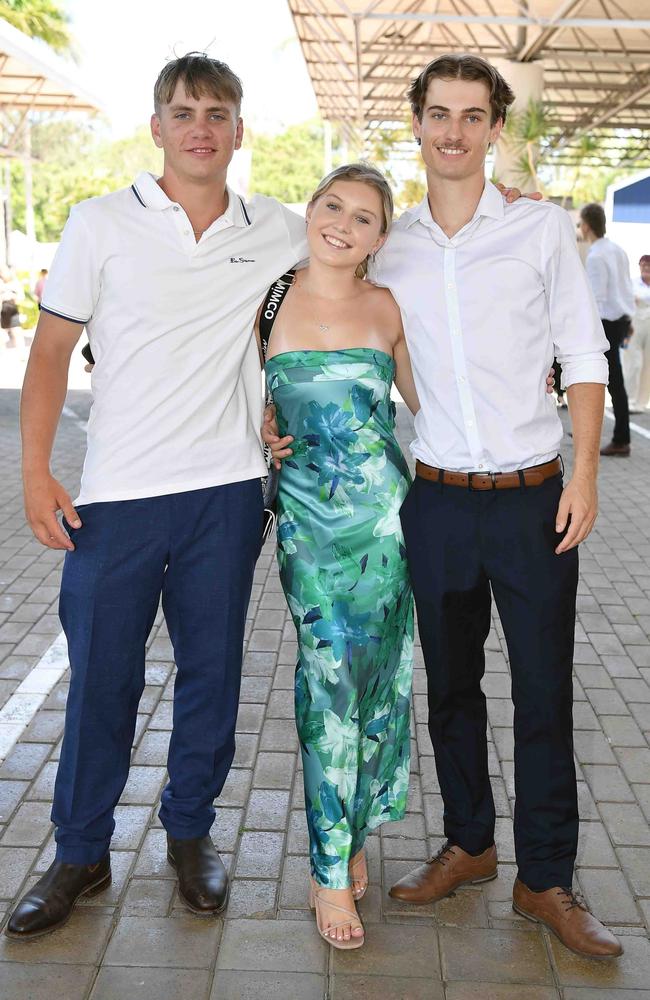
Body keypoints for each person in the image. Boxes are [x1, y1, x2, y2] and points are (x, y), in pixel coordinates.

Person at [268, 53, 620, 960]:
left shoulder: (541, 233)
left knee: (542, 696)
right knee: (450, 692)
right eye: (438, 114)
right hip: (429, 502)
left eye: (472, 115)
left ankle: (546, 880)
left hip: (534, 499)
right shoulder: (395, 245)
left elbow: (583, 359)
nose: (454, 132)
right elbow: (336, 333)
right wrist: (280, 414)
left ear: (496, 127)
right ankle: (469, 842)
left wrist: (583, 476)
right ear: (416, 123)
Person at [7, 53, 307, 939]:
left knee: (212, 678)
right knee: (104, 677)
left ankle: (190, 834)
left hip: (225, 493)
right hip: (117, 498)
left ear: (240, 130)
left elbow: (370, 241)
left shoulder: (280, 228)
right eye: (184, 112)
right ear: (157, 127)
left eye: (218, 112)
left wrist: (499, 199)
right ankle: (80, 851)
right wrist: (34, 473)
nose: (201, 127)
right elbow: (52, 354)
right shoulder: (99, 223)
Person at [259, 163, 420, 950]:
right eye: (332, 206)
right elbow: (228, 387)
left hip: (385, 530)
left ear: (380, 238)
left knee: (377, 688)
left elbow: (440, 400)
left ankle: (352, 835)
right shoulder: (268, 295)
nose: (343, 224)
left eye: (363, 217)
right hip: (309, 531)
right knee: (329, 685)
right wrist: (256, 418)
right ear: (311, 209)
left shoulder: (390, 307)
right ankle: (328, 873)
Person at [580, 203, 635, 457]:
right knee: (611, 380)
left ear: (587, 225)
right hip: (620, 320)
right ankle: (602, 433)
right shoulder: (617, 250)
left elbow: (595, 298)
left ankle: (621, 438)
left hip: (605, 323)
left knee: (607, 381)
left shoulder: (596, 256)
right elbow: (625, 289)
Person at [624, 254, 650, 411]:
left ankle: (641, 402)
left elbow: (640, 299)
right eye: (643, 265)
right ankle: (630, 400)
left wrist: (641, 300)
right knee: (634, 363)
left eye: (648, 265)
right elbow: (629, 300)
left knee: (648, 365)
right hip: (634, 325)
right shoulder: (632, 283)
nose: (646, 268)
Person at [0, 265, 23, 348]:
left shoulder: (15, 283)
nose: (3, 274)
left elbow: (21, 298)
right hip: (2, 311)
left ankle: (21, 354)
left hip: (13, 311)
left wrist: (12, 296)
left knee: (17, 333)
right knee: (2, 336)